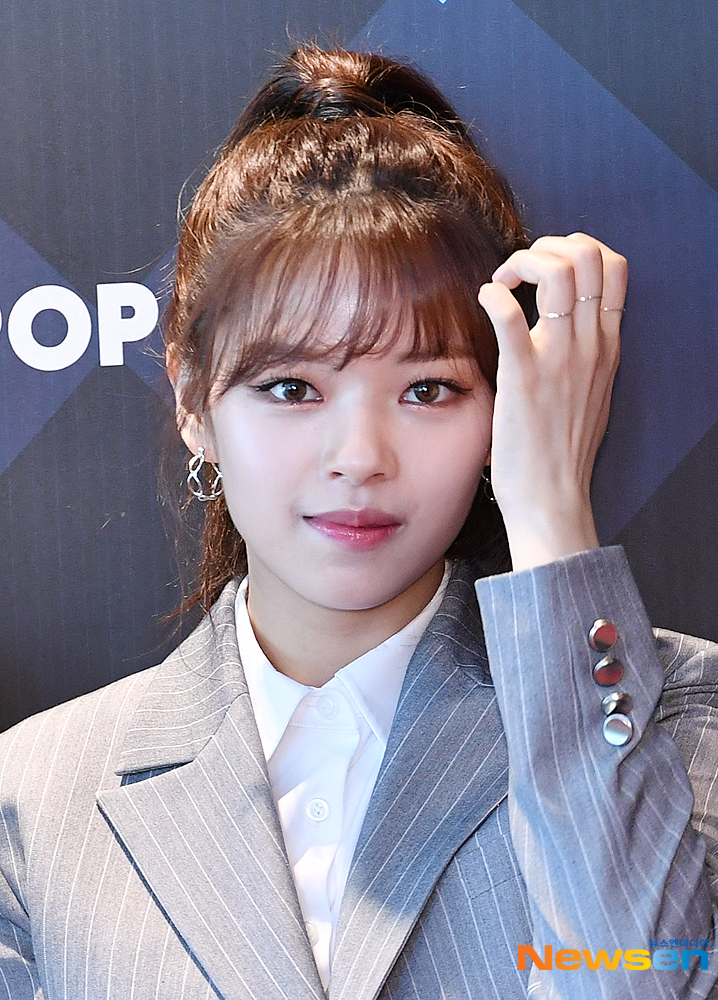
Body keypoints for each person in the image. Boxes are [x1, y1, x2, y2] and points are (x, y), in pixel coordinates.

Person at [0, 45, 716, 1000]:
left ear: (505, 405)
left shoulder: (660, 710)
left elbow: (643, 982)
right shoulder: (36, 795)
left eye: (428, 389)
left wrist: (549, 511)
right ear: (193, 400)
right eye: (291, 388)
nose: (360, 456)